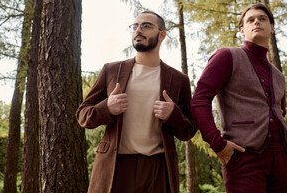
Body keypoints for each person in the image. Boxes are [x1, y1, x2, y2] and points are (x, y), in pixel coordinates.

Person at [76, 10, 197, 193]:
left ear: (162, 35)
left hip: (158, 169)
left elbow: (189, 131)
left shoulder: (179, 80)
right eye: (135, 26)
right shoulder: (111, 71)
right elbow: (83, 115)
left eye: (146, 26)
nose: (138, 30)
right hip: (115, 167)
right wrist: (106, 107)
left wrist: (173, 115)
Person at [191, 3, 287, 193]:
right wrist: (217, 143)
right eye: (251, 20)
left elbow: (280, 111)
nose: (257, 22)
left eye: (262, 19)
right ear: (242, 30)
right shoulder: (227, 56)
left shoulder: (278, 75)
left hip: (281, 158)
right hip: (244, 157)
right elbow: (200, 99)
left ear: (271, 27)